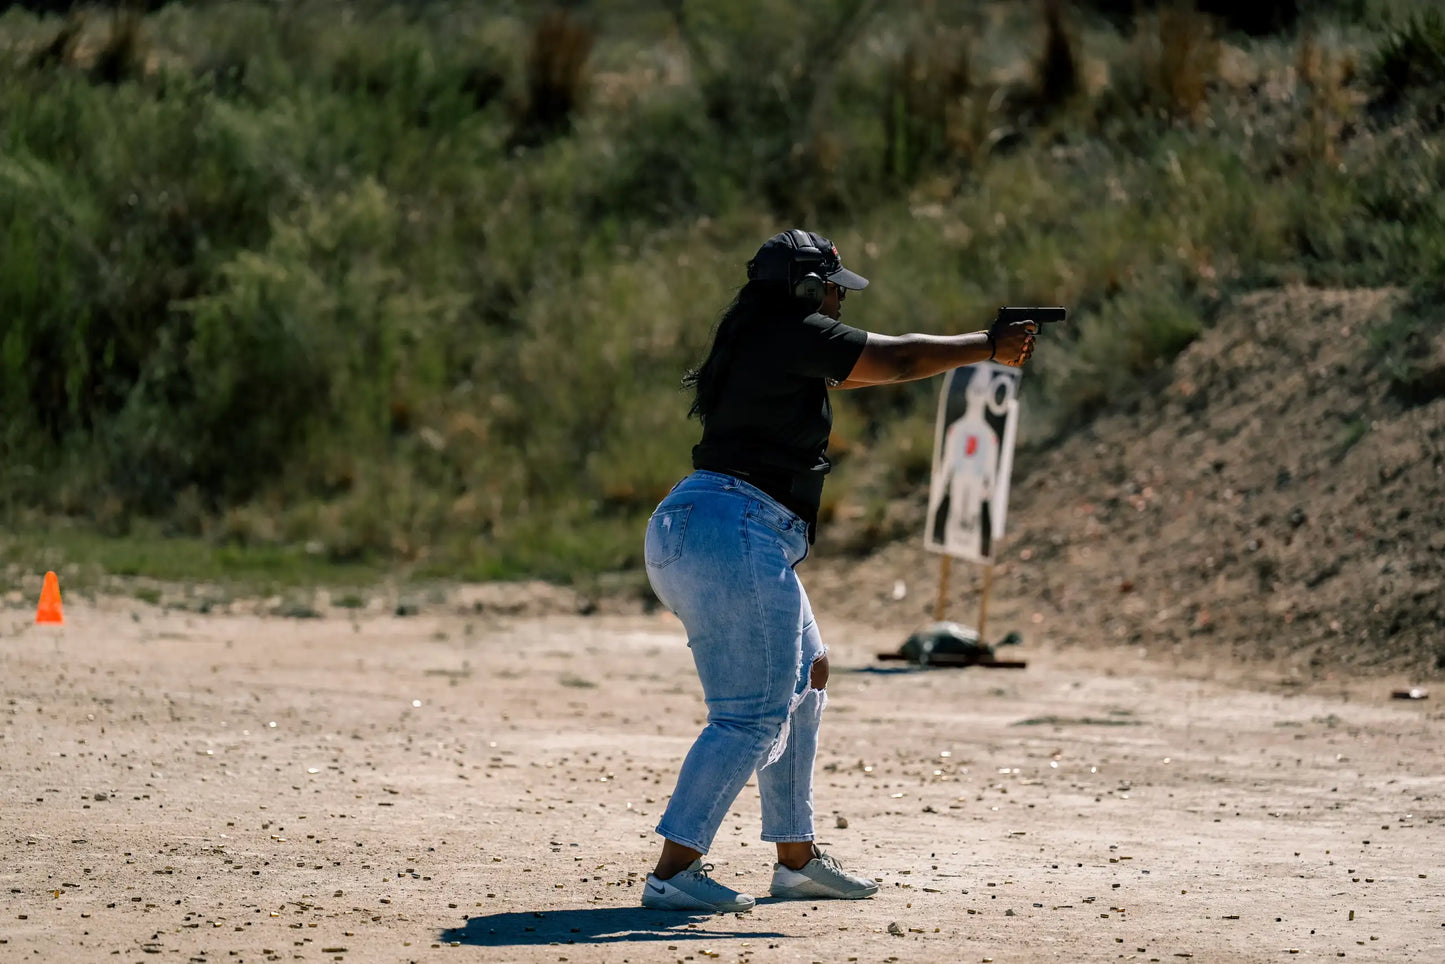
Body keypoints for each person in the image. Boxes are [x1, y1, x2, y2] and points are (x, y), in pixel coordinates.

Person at [639, 229, 1038, 913]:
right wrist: (985, 346)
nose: (835, 300)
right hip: (732, 528)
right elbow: (899, 358)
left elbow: (877, 361)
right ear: (802, 287)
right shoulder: (786, 329)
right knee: (750, 716)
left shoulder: (759, 333)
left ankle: (794, 860)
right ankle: (673, 872)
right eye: (829, 287)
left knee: (808, 673)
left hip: (710, 527)